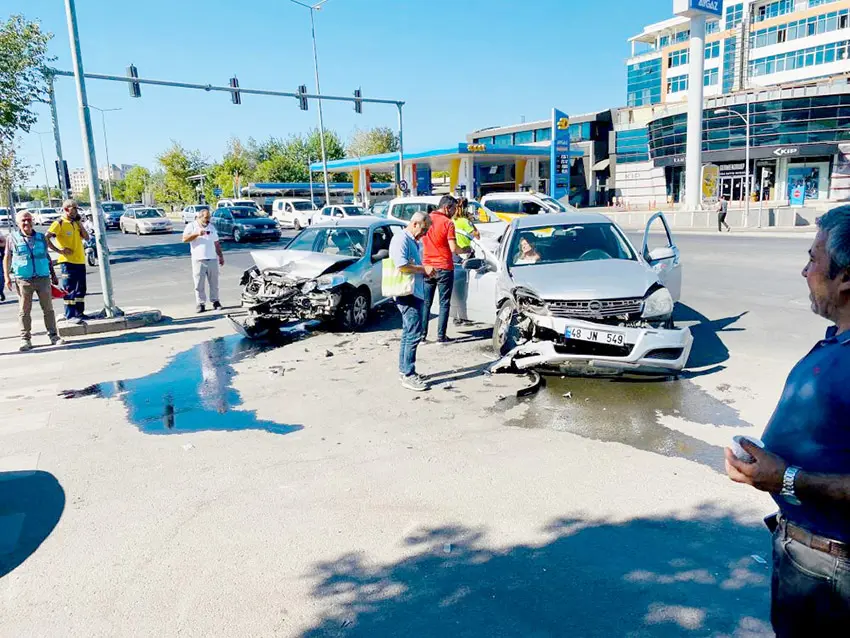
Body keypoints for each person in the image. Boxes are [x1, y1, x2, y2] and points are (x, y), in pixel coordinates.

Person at [724, 205, 850, 636]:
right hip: (807, 557)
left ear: (846, 277)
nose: (805, 271)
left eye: (814, 259)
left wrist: (787, 477)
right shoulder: (838, 341)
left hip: (832, 572)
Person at [3, 210, 62, 351]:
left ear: (33, 221)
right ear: (18, 223)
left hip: (42, 278)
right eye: (23, 220)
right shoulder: (12, 238)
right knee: (24, 311)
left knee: (48, 309)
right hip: (23, 280)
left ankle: (54, 336)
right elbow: (7, 258)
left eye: (29, 219)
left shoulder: (41, 238)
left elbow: (46, 256)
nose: (26, 223)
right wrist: (7, 277)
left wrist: (53, 275)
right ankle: (25, 339)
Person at [387, 212, 431, 392]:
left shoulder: (411, 240)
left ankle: (405, 370)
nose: (425, 233)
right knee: (414, 333)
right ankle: (408, 374)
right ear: (415, 224)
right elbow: (402, 265)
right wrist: (424, 269)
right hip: (407, 293)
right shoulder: (401, 240)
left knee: (409, 332)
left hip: (413, 291)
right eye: (424, 229)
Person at [422, 195, 459, 344]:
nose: (455, 212)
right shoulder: (448, 223)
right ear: (446, 207)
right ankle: (440, 337)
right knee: (444, 302)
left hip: (427, 266)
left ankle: (421, 336)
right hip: (444, 267)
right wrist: (466, 249)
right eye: (454, 209)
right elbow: (454, 248)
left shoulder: (426, 219)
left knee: (426, 303)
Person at [46, 199, 89, 324]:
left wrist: (79, 223)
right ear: (66, 209)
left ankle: (79, 313)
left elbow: (86, 237)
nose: (76, 211)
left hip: (80, 260)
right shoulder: (59, 223)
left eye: (76, 208)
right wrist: (59, 250)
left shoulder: (75, 223)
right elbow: (46, 237)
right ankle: (70, 315)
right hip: (67, 261)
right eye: (74, 208)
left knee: (81, 288)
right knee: (69, 289)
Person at [182, 208, 225, 313]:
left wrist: (220, 256)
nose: (208, 219)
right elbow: (184, 239)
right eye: (206, 218)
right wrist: (197, 234)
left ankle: (215, 301)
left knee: (214, 282)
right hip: (198, 259)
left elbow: (216, 243)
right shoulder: (191, 226)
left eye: (209, 217)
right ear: (199, 217)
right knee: (199, 284)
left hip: (212, 259)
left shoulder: (212, 227)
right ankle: (200, 303)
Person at [451, 202, 480, 326]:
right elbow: (477, 235)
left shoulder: (450, 220)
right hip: (465, 253)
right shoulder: (464, 221)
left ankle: (456, 316)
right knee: (465, 288)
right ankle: (464, 317)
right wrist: (472, 223)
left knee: (455, 288)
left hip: (453, 256)